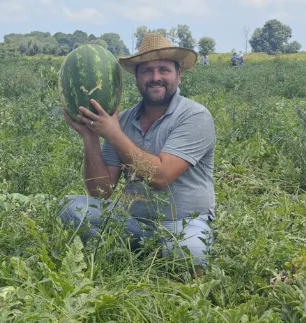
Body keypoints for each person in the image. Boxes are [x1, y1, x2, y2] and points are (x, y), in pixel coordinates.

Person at [59, 32, 216, 274]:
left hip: (183, 223)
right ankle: (143, 251)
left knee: (189, 253)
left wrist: (113, 133)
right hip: (132, 224)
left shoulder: (195, 116)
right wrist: (90, 136)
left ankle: (150, 254)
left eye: (164, 69)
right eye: (147, 71)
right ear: (136, 78)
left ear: (179, 74)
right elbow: (101, 192)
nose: (155, 78)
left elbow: (161, 176)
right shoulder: (123, 120)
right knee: (70, 207)